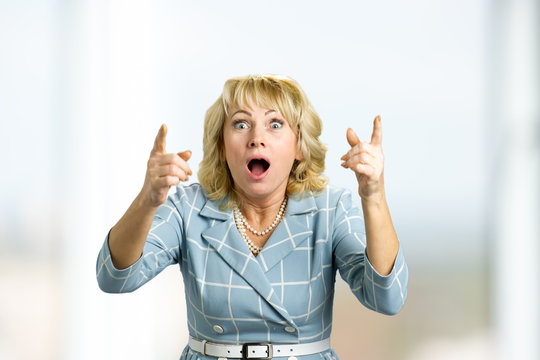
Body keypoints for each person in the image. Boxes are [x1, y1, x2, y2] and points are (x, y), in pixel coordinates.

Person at [96, 74, 408, 360]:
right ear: (221, 145)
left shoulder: (331, 209)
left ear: (299, 145)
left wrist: (374, 196)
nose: (256, 137)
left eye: (275, 124)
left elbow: (388, 297)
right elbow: (115, 277)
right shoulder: (188, 208)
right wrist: (147, 200)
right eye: (241, 124)